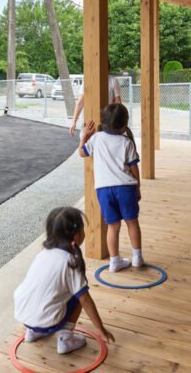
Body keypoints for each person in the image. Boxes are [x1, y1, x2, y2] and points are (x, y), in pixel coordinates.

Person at [14, 207, 115, 355]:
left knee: (43, 290)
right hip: (46, 321)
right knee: (79, 294)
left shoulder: (43, 253)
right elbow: (85, 300)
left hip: (24, 316)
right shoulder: (70, 261)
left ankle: (32, 332)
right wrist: (101, 329)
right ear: (76, 236)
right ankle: (65, 339)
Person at [79, 103, 144, 272]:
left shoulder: (96, 138)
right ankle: (137, 258)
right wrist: (138, 187)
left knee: (112, 226)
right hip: (125, 188)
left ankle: (114, 261)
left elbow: (82, 152)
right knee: (132, 223)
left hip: (104, 190)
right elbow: (134, 168)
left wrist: (84, 137)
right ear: (124, 124)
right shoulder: (126, 142)